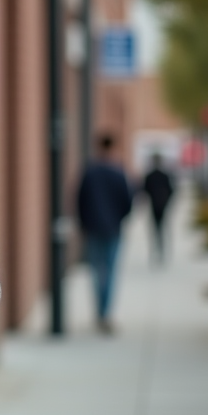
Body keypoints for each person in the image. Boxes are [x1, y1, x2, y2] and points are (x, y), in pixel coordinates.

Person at [76, 133, 134, 334]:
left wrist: (83, 224)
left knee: (95, 271)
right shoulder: (119, 173)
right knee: (110, 271)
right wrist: (118, 219)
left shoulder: (89, 172)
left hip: (92, 229)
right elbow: (128, 202)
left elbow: (79, 200)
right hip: (113, 229)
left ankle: (99, 311)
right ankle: (105, 314)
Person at [141, 153, 175, 265]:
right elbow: (171, 191)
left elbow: (144, 191)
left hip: (155, 205)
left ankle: (157, 252)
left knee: (155, 230)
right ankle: (161, 251)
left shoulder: (150, 175)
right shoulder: (164, 175)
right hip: (162, 205)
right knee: (161, 229)